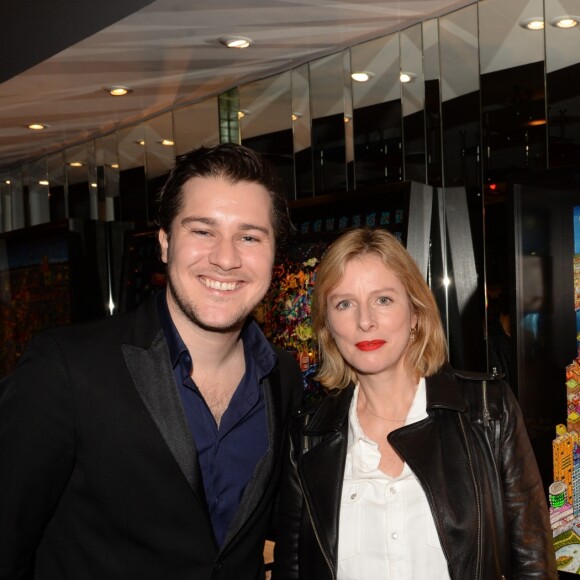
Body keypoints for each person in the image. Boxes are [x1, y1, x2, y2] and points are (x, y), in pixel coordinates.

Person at [0, 143, 304, 580]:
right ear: (165, 243)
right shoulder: (65, 369)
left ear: (274, 256)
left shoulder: (282, 376)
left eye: (249, 236)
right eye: (203, 231)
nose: (226, 257)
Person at [273, 227, 557, 579]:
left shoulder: (487, 408)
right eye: (344, 304)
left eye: (383, 300)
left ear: (416, 314)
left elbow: (533, 563)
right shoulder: (306, 436)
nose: (365, 321)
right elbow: (292, 571)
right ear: (328, 326)